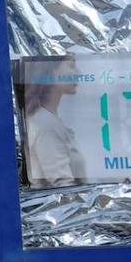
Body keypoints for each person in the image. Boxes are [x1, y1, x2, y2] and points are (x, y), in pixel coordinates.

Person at [22, 55, 87, 188]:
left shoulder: (49, 120)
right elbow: (64, 187)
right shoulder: (45, 123)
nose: (79, 73)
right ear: (51, 70)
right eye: (71, 66)